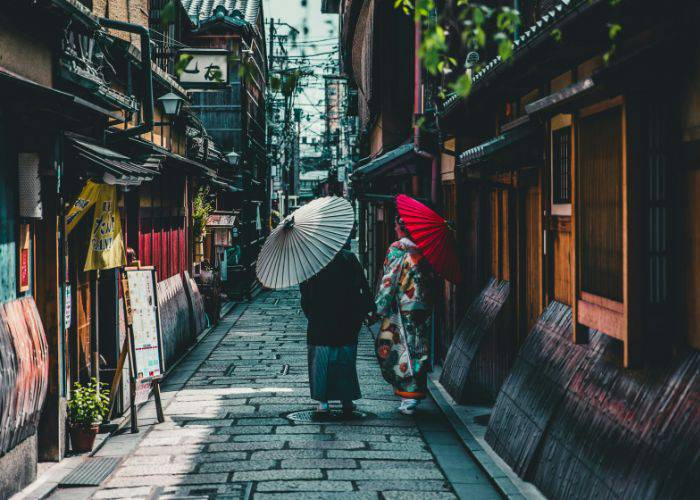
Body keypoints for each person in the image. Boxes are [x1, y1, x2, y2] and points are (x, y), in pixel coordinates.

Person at [300, 240, 375, 414]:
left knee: (321, 360)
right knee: (345, 359)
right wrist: (367, 309)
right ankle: (346, 401)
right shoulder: (349, 258)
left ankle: (323, 402)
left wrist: (310, 312)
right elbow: (362, 286)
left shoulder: (313, 261)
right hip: (346, 318)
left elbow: (305, 292)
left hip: (320, 320)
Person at [374, 216, 435, 415]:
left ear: (400, 229)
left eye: (395, 226)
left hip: (401, 307)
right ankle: (412, 394)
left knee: (400, 349)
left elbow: (389, 278)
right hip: (422, 306)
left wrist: (379, 307)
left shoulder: (398, 248)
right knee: (418, 348)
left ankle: (407, 395)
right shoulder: (422, 249)